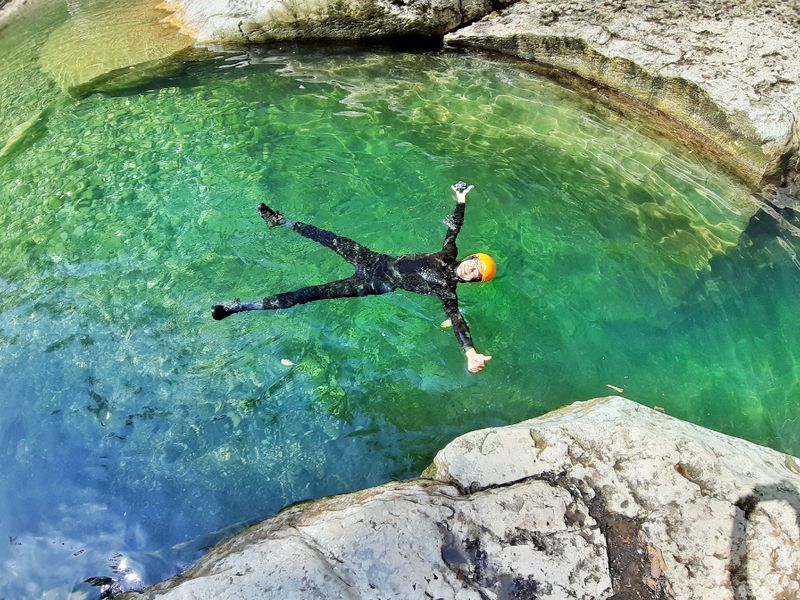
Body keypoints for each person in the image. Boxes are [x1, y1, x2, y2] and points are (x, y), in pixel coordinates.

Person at [212, 182, 496, 373]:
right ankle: (280, 221)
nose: (471, 270)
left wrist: (469, 352)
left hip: (375, 283)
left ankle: (239, 306)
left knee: (309, 293)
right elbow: (454, 229)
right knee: (327, 237)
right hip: (374, 259)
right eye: (474, 264)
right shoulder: (448, 253)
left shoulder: (448, 291)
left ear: (472, 282)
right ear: (469, 257)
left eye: (475, 275)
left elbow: (457, 320)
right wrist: (460, 200)